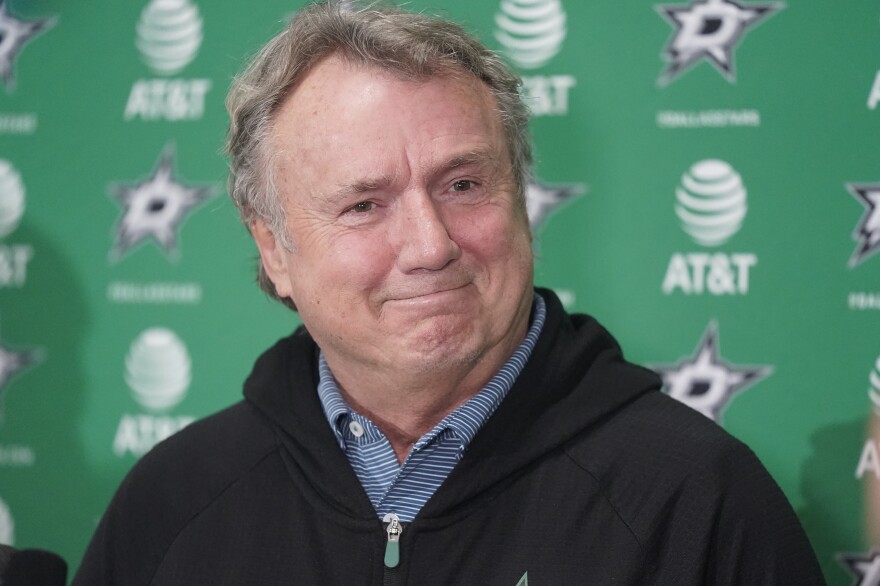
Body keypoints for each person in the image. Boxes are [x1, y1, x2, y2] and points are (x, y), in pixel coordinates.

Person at [74, 1, 825, 584]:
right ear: (272, 246)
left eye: (463, 185)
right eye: (365, 204)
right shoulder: (172, 503)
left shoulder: (694, 500)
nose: (431, 245)